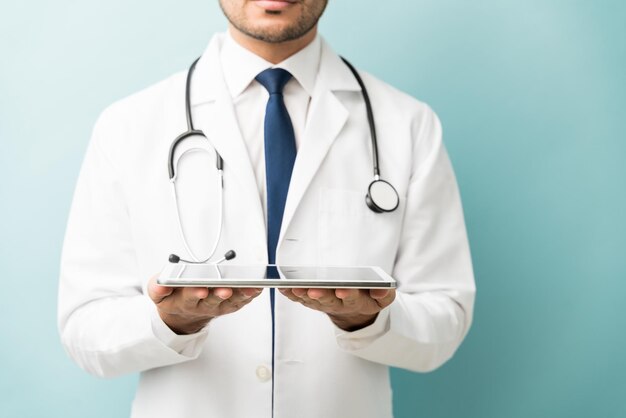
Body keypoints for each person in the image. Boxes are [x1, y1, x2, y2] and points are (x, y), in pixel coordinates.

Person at [58, 1, 475, 417]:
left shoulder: (408, 125)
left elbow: (445, 321)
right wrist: (172, 322)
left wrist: (369, 321)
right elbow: (84, 328)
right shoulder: (127, 126)